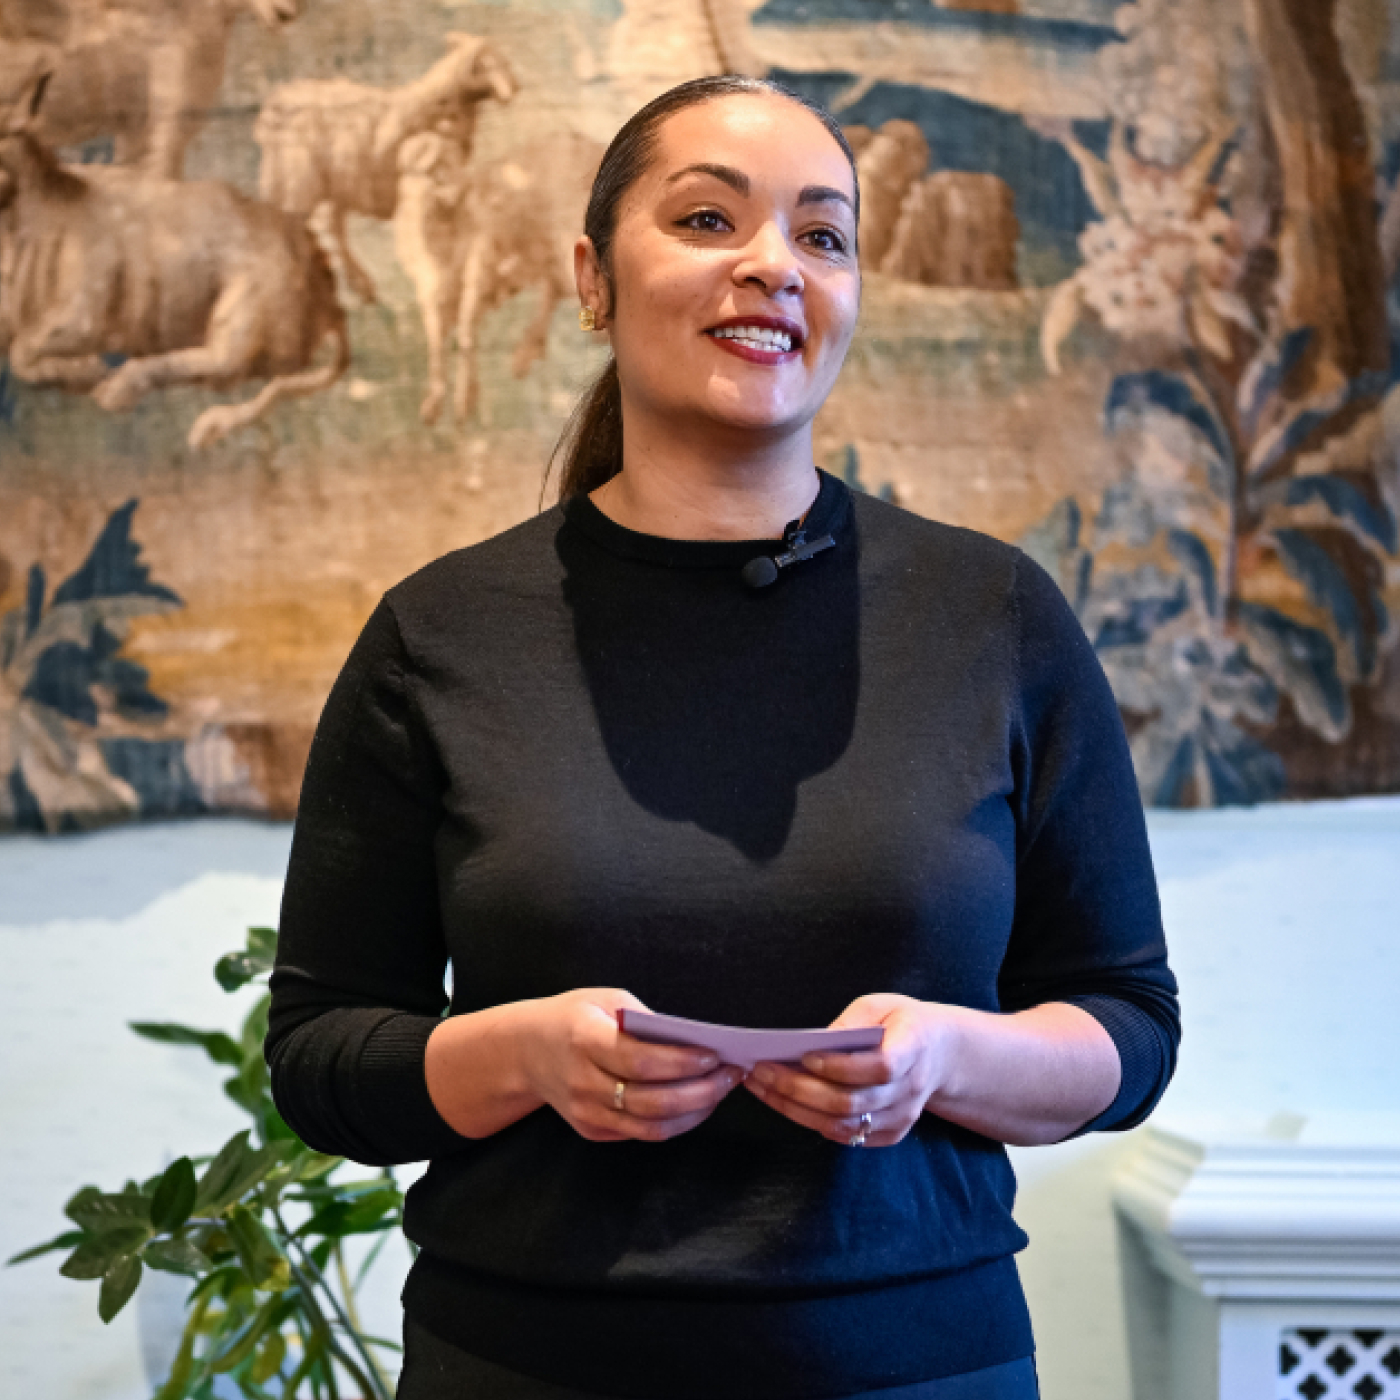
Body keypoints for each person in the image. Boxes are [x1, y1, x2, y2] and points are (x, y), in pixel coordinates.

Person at [266, 75, 1180, 1400]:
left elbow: (1128, 1025)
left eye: (822, 236)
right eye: (707, 220)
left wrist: (945, 1058)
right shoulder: (443, 634)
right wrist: (520, 1054)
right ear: (593, 278)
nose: (774, 268)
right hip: (524, 1366)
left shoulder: (995, 618)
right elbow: (321, 1054)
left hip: (921, 1365)